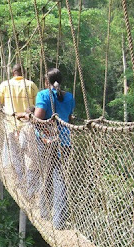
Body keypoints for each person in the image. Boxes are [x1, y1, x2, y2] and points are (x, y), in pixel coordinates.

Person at [34, 68, 75, 230]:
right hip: (65, 142)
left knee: (46, 176)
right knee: (60, 179)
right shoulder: (70, 96)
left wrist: (45, 134)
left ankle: (44, 212)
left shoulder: (43, 95)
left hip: (47, 143)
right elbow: (69, 118)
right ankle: (59, 221)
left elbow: (37, 120)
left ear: (46, 82)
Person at [0, 64, 38, 183]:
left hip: (11, 126)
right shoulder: (31, 85)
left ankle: (20, 181)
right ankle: (29, 184)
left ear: (12, 72)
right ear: (23, 72)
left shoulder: (5, 85)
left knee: (15, 154)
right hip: (27, 126)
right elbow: (37, 106)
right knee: (28, 155)